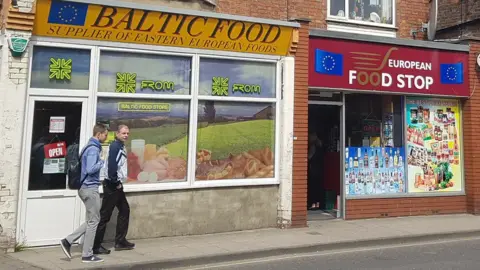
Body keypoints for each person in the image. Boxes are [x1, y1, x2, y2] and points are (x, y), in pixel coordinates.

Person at [60, 124, 108, 263]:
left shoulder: (89, 147)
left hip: (86, 188)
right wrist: (102, 161)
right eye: (105, 134)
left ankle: (68, 241)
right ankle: (87, 254)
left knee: (92, 220)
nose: (106, 137)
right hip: (89, 188)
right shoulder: (93, 149)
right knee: (94, 221)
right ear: (98, 134)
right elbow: (90, 169)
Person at [93, 125, 135, 255]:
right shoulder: (116, 146)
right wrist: (115, 182)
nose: (126, 135)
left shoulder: (120, 145)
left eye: (127, 133)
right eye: (123, 133)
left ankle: (120, 241)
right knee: (105, 215)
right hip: (112, 185)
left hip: (116, 185)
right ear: (117, 133)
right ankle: (96, 246)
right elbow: (112, 166)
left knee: (124, 210)